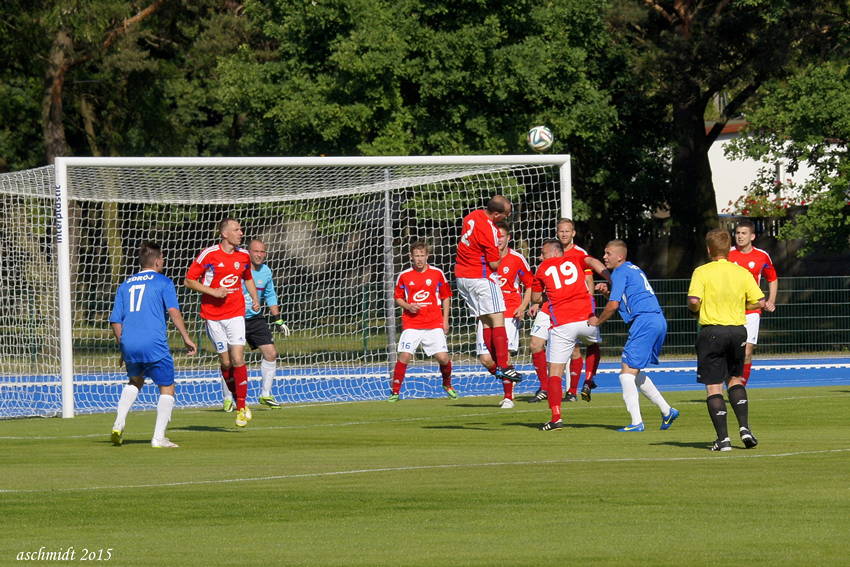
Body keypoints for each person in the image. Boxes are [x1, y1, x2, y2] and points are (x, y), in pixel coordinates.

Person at [109, 241, 197, 448]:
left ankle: (118, 423)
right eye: (163, 258)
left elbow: (115, 321)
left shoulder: (125, 285)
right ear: (157, 261)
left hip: (129, 341)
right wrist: (185, 336)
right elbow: (174, 312)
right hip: (154, 342)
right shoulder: (163, 282)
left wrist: (123, 346)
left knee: (135, 381)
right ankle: (159, 437)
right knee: (167, 387)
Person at [588, 240, 679, 431]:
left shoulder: (620, 271)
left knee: (626, 373)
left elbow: (613, 306)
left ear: (620, 256)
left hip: (645, 321)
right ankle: (667, 410)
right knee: (634, 371)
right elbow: (625, 301)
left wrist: (597, 320)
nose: (605, 257)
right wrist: (607, 294)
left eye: (608, 253)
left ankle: (636, 422)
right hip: (656, 320)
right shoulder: (632, 269)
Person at [687, 228, 765, 451]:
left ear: (709, 249)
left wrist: (696, 308)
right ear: (728, 248)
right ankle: (745, 428)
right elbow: (759, 301)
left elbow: (694, 300)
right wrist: (742, 306)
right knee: (735, 379)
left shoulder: (702, 271)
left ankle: (723, 440)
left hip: (712, 331)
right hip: (738, 331)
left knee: (714, 387)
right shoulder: (741, 272)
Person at [184, 218, 260, 428]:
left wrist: (254, 298)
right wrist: (213, 292)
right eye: (236, 229)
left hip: (235, 313)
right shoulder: (209, 255)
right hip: (213, 316)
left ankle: (241, 407)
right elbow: (189, 280)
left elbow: (247, 278)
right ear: (225, 233)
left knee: (237, 358)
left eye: (241, 229)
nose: (241, 232)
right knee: (225, 363)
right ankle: (239, 400)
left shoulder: (244, 256)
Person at [528, 218, 608, 403]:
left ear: (573, 233)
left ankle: (572, 390)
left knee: (574, 349)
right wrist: (535, 303)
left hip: (573, 307)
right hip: (550, 305)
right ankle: (544, 387)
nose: (564, 234)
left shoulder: (579, 254)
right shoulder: (549, 252)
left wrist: (589, 304)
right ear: (557, 234)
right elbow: (539, 289)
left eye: (567, 231)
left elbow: (588, 280)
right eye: (561, 231)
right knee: (535, 344)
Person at [530, 239, 601, 431]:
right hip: (587, 317)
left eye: (542, 253)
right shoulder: (577, 258)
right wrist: (609, 278)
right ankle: (588, 379)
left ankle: (556, 417)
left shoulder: (543, 268)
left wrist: (546, 292)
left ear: (553, 253)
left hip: (563, 323)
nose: (540, 257)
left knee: (555, 372)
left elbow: (536, 298)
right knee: (593, 344)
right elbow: (593, 264)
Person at [455, 195, 522, 383]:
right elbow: (493, 263)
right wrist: (500, 255)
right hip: (480, 278)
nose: (507, 217)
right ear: (495, 214)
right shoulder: (490, 230)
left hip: (462, 278)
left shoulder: (471, 216)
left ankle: (498, 365)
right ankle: (504, 365)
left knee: (485, 322)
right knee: (498, 318)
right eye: (506, 214)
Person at [475, 222, 533, 408]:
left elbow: (530, 284)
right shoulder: (483, 258)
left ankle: (508, 396)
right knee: (486, 359)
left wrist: (524, 305)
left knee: (504, 356)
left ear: (509, 238)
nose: (498, 239)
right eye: (495, 236)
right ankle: (509, 379)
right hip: (486, 313)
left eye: (502, 236)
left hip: (509, 313)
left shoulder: (516, 258)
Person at [389, 241, 456, 401]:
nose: (419, 259)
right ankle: (395, 392)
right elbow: (398, 297)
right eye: (416, 256)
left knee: (443, 358)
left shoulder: (437, 273)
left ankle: (447, 384)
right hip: (412, 323)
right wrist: (408, 306)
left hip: (433, 323)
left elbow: (446, 296)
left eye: (422, 255)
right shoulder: (404, 275)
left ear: (427, 256)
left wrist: (445, 320)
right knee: (404, 356)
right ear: (411, 257)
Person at [237, 238, 291, 410]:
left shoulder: (266, 271)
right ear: (249, 252)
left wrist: (278, 320)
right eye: (256, 251)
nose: (259, 255)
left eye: (262, 252)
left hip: (255, 319)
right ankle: (228, 399)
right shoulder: (239, 268)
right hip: (234, 318)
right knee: (231, 360)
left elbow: (270, 295)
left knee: (271, 353)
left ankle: (265, 394)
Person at [728, 219, 778, 386]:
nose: (740, 236)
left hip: (752, 310)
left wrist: (771, 300)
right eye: (737, 233)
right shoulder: (728, 255)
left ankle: (740, 388)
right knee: (731, 351)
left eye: (744, 233)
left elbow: (772, 278)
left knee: (747, 351)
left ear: (752, 236)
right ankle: (731, 381)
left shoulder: (762, 256)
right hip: (730, 310)